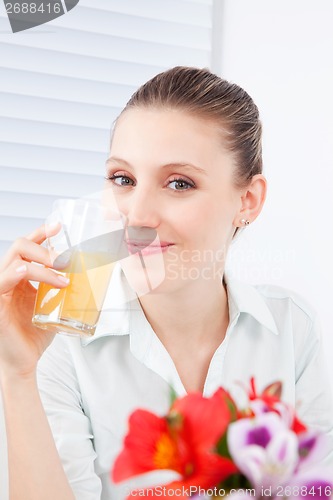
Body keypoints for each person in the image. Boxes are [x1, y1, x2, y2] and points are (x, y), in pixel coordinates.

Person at [0, 66, 332, 500]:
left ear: (246, 201)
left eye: (179, 183)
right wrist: (16, 374)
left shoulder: (291, 327)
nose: (137, 215)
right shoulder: (60, 343)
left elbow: (313, 489)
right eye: (123, 179)